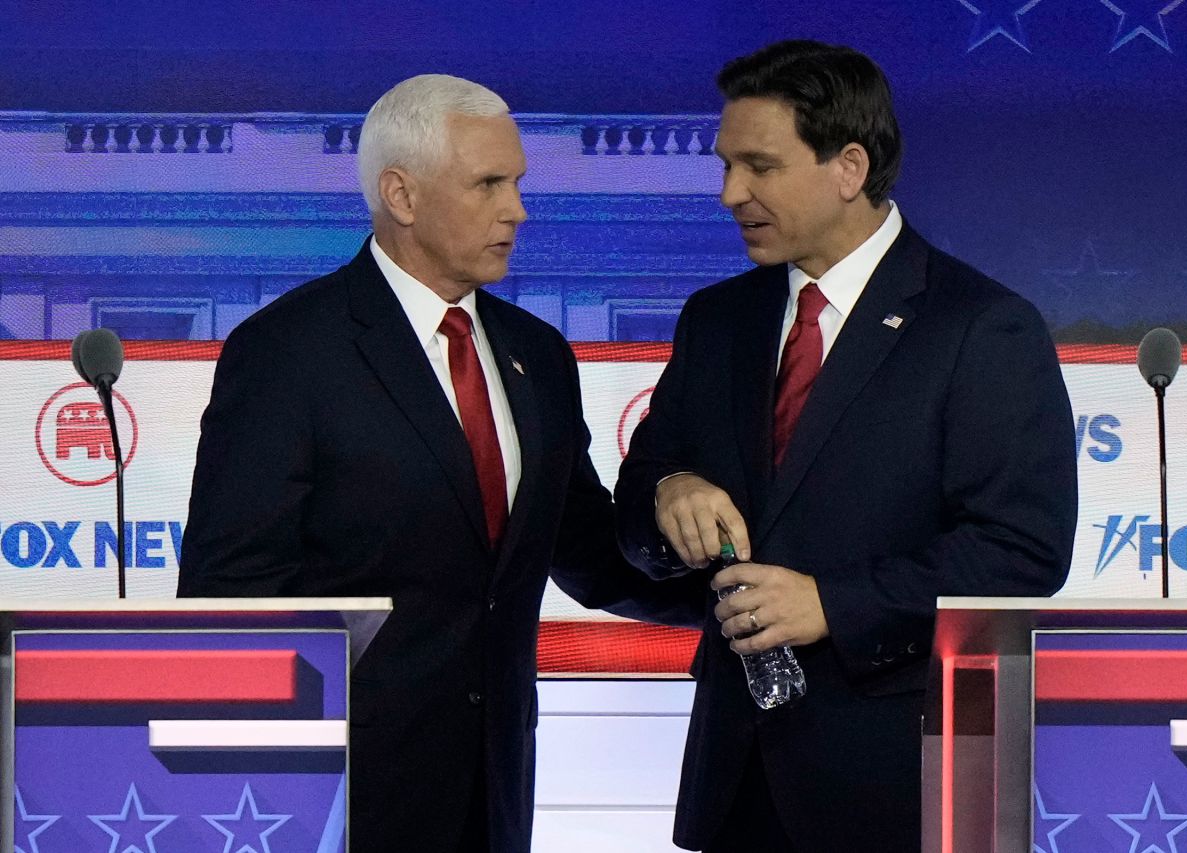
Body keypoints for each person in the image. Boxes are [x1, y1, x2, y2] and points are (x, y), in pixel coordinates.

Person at [178, 74, 701, 852]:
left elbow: (589, 551)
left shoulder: (538, 354)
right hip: (338, 800)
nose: (517, 209)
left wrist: (735, 598)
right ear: (402, 194)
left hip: (495, 789)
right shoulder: (288, 352)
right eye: (489, 183)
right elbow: (231, 596)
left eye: (518, 182)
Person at [615, 40, 1077, 852]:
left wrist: (835, 603)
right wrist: (667, 490)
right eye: (725, 166)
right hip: (735, 782)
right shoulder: (717, 320)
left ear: (849, 166)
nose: (730, 194)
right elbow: (636, 508)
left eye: (759, 165)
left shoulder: (979, 327)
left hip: (896, 783)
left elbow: (1020, 551)